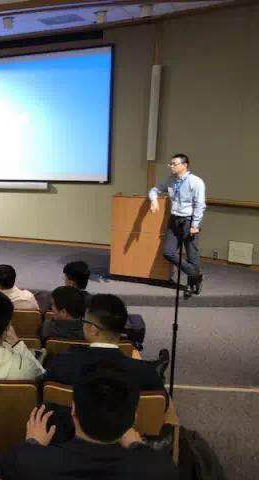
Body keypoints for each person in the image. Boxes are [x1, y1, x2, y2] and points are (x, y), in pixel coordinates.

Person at [0, 369, 180, 480]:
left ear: (73, 411)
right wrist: (137, 446)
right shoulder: (161, 468)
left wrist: (32, 445)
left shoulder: (26, 461)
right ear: (133, 419)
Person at [44, 294, 164, 392]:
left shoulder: (61, 364)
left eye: (84, 321)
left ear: (94, 330)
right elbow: (161, 405)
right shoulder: (147, 374)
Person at [149, 153, 206, 296]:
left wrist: (195, 224)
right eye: (170, 164)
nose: (171, 166)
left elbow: (200, 205)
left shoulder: (196, 182)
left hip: (189, 221)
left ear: (185, 165)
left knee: (192, 255)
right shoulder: (170, 180)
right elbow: (154, 190)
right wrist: (154, 200)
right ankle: (195, 274)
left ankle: (192, 284)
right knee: (168, 252)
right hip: (174, 220)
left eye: (174, 164)